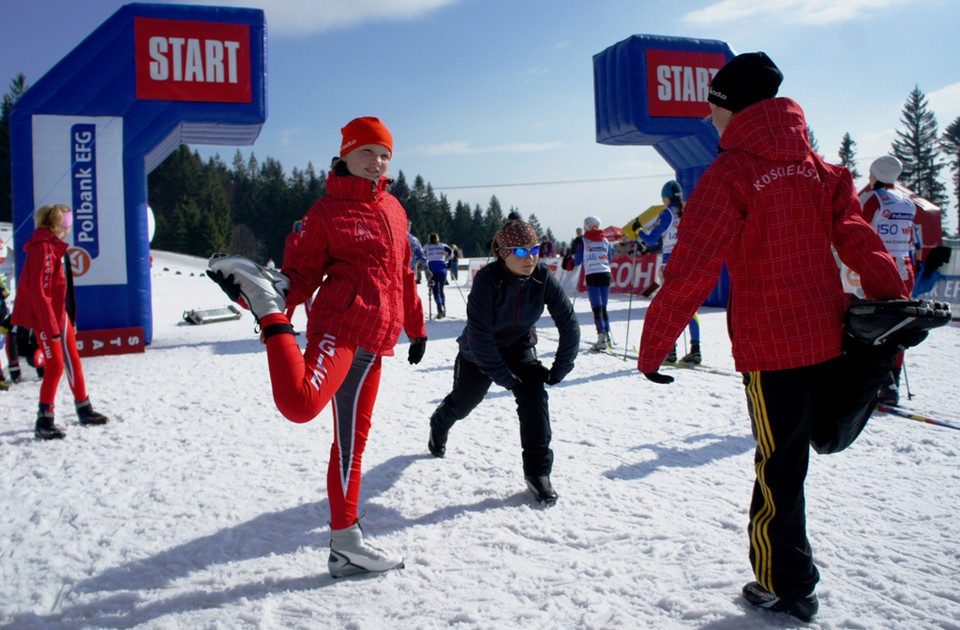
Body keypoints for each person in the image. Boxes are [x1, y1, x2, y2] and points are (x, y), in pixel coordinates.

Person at [635, 52, 946, 622]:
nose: (710, 120)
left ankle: (786, 584)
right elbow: (860, 241)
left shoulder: (731, 173)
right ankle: (787, 571)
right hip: (828, 335)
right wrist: (893, 301)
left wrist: (654, 345)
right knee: (794, 454)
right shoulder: (822, 169)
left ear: (735, 109)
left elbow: (692, 267)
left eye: (714, 108)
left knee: (778, 466)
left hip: (770, 347)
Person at [207, 116, 427, 578]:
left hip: (376, 343)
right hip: (341, 329)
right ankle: (268, 313)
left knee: (351, 446)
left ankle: (347, 545)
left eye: (385, 154)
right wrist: (274, 303)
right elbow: (303, 276)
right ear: (346, 153)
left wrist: (417, 327)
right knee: (300, 403)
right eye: (368, 151)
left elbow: (403, 273)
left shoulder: (394, 209)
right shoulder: (325, 213)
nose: (378, 161)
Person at [426, 220, 579, 506]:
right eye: (520, 252)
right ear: (503, 253)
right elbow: (480, 336)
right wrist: (505, 378)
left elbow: (568, 322)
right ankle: (440, 421)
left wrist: (560, 368)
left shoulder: (543, 276)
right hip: (479, 353)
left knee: (534, 395)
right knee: (465, 401)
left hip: (520, 346)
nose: (530, 257)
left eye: (534, 249)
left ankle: (538, 473)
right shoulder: (487, 280)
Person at [12, 203, 109, 439]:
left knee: (72, 360)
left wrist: (69, 319)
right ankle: (44, 419)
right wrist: (50, 327)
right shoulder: (44, 249)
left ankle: (84, 408)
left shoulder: (55, 247)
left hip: (58, 314)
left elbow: (63, 290)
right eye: (68, 223)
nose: (69, 228)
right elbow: (39, 291)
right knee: (55, 365)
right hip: (46, 317)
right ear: (60, 225)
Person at [859, 156, 922, 406]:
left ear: (874, 174)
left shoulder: (871, 199)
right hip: (904, 268)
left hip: (878, 266)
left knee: (873, 325)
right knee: (899, 323)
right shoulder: (909, 202)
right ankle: (891, 379)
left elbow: (856, 227)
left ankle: (883, 383)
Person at [636, 181, 702, 363]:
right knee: (689, 306)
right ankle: (696, 350)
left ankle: (670, 351)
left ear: (666, 197)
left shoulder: (666, 214)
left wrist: (638, 231)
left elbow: (651, 240)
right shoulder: (689, 210)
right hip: (689, 262)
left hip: (671, 264)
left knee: (670, 306)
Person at [574, 216, 614, 351]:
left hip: (592, 275)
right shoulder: (606, 240)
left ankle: (601, 336)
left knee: (597, 307)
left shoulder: (583, 241)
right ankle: (607, 336)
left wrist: (571, 260)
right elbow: (610, 257)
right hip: (605, 273)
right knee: (604, 306)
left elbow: (577, 261)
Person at [423, 233, 454, 319]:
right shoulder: (442, 245)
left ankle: (439, 308)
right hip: (442, 267)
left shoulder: (427, 246)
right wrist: (449, 263)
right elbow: (451, 252)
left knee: (436, 289)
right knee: (441, 289)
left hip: (432, 267)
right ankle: (443, 307)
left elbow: (421, 255)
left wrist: (423, 264)